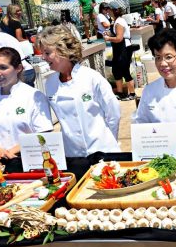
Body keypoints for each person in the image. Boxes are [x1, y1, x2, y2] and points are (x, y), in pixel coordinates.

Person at [37, 25, 121, 157]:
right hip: (73, 154)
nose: (43, 57)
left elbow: (113, 113)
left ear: (63, 50)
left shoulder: (91, 77)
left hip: (102, 150)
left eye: (47, 53)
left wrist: (110, 141)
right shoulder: (50, 83)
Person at [0, 46, 53, 160]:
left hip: (31, 159)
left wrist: (11, 152)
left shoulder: (34, 96)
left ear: (18, 68)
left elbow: (43, 133)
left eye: (3, 67)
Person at [102, 6, 136, 101]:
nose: (107, 11)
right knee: (116, 71)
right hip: (118, 48)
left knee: (125, 70)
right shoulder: (117, 21)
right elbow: (117, 36)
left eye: (108, 9)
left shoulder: (119, 22)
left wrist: (108, 38)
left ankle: (132, 93)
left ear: (113, 11)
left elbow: (119, 38)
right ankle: (120, 93)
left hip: (123, 48)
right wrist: (110, 34)